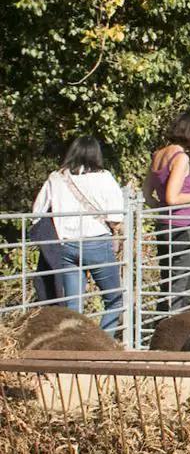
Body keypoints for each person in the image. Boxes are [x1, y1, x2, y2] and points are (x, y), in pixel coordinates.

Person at [32, 136, 126, 331]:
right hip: (97, 244)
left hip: (66, 244)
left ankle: (76, 348)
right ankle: (103, 347)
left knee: (73, 308)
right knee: (115, 299)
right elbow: (116, 217)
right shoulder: (105, 178)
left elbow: (36, 212)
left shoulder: (56, 178)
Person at [144, 109, 190, 312]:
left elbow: (146, 193)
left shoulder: (158, 155)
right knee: (180, 283)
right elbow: (173, 198)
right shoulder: (180, 158)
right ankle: (171, 330)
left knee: (168, 279)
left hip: (164, 226)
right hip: (182, 227)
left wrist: (160, 209)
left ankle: (164, 324)